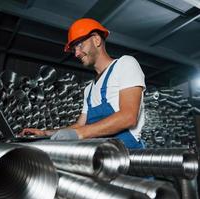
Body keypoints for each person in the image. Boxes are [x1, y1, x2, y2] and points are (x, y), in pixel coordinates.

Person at [20, 18, 145, 149]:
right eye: (74, 49)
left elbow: (128, 117)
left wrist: (78, 134)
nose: (76, 53)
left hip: (128, 154)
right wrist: (45, 133)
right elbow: (80, 125)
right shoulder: (89, 89)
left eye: (80, 45)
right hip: (100, 155)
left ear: (96, 39)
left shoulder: (125, 64)